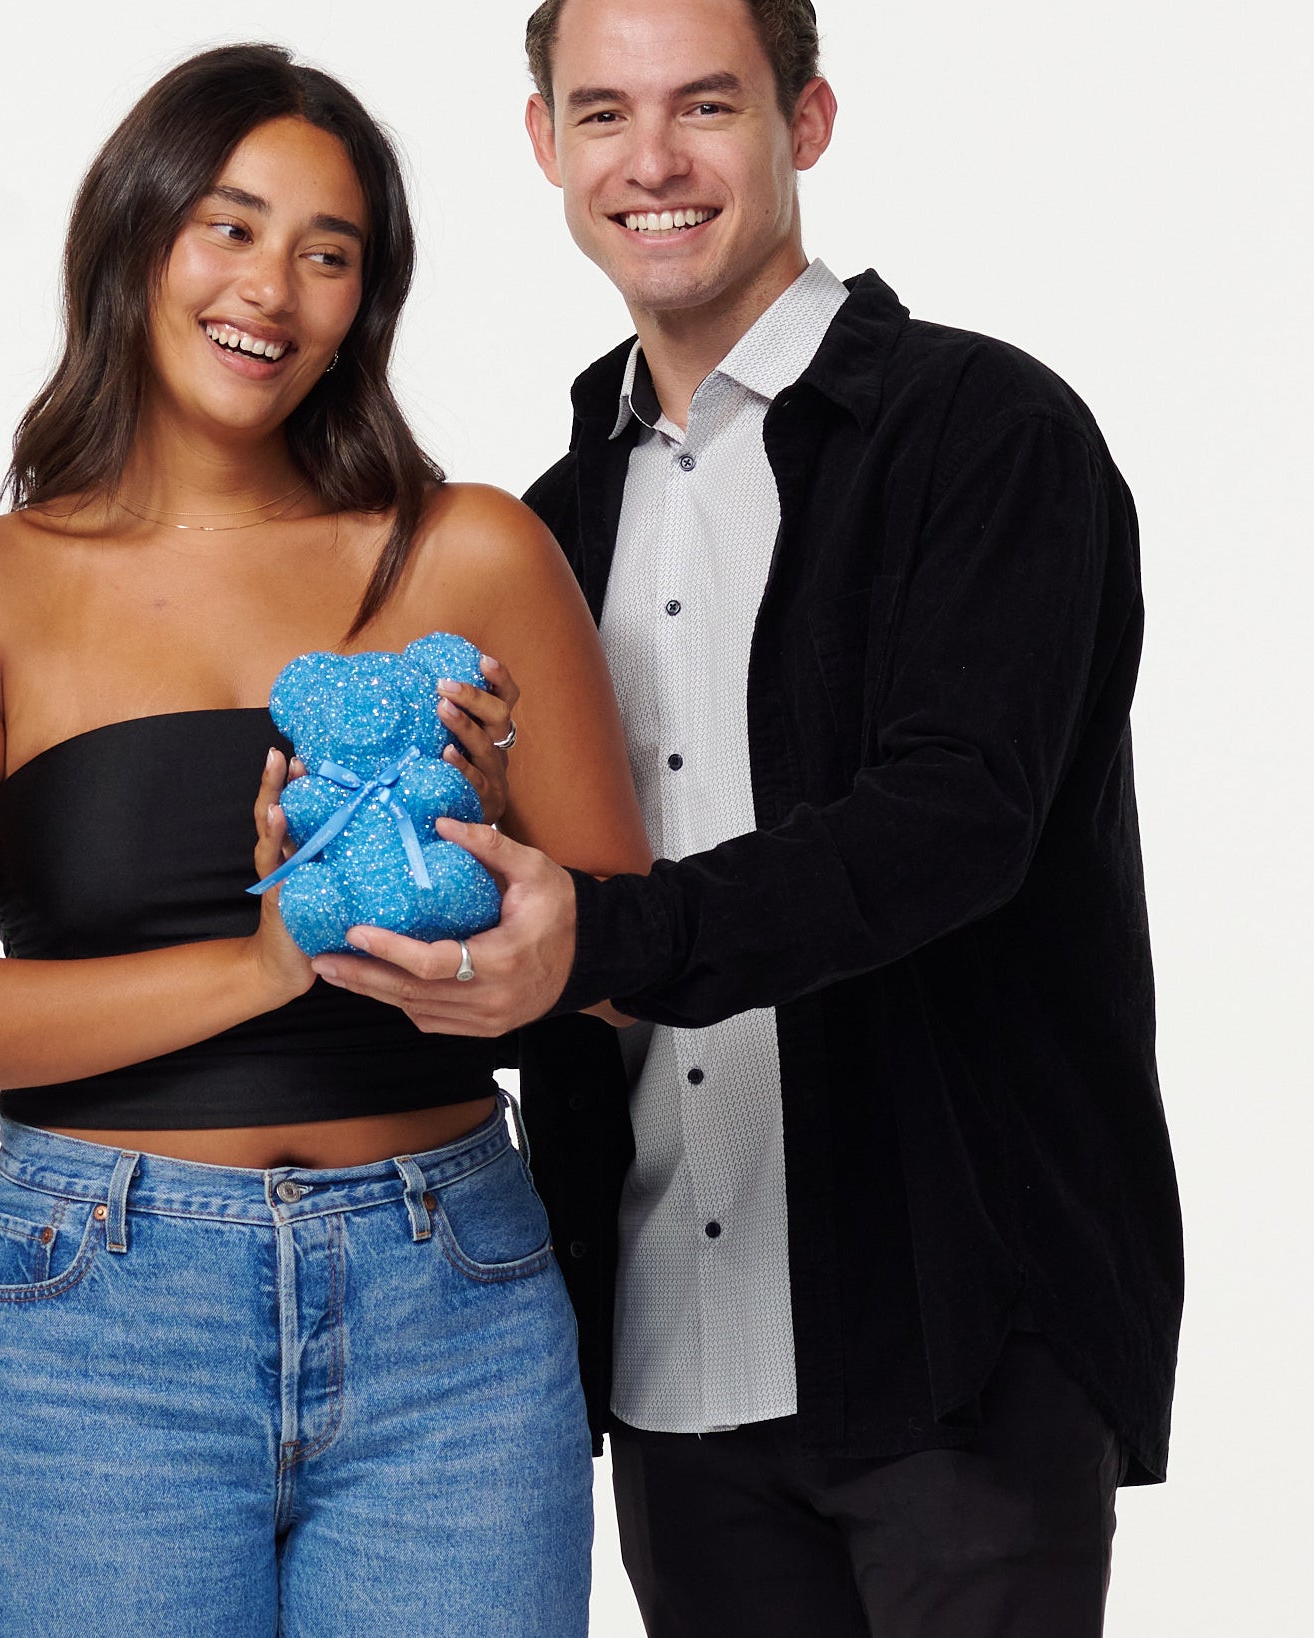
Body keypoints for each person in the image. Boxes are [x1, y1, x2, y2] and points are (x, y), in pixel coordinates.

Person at [310, 2, 1184, 1633]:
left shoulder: (984, 435)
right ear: (541, 146)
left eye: (703, 105)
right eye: (600, 115)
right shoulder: (544, 527)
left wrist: (599, 940)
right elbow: (535, 926)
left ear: (809, 118)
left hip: (960, 1343)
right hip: (665, 1360)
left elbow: (951, 823)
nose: (651, 162)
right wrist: (396, 883)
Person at [0, 43, 649, 1637]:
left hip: (453, 1307)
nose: (271, 288)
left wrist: (485, 865)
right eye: (229, 226)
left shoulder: (470, 552)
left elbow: (622, 968)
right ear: (137, 237)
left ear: (367, 299)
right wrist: (272, 958)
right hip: (97, 1322)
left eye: (328, 251)